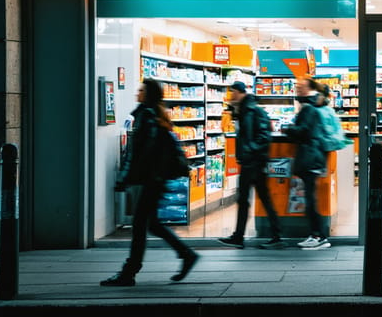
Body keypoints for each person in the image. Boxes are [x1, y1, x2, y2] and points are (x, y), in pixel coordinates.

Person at [101, 79, 198, 287]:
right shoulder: (153, 114)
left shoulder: (146, 116)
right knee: (151, 225)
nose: (138, 92)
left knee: (139, 227)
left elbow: (140, 154)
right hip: (154, 179)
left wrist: (125, 177)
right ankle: (186, 254)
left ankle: (129, 273)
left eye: (141, 90)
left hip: (151, 180)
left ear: (149, 94)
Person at [218, 81, 282, 249]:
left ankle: (273, 235)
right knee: (248, 199)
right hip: (249, 162)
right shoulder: (243, 111)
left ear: (240, 92)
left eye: (232, 93)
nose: (230, 96)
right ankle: (242, 236)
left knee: (256, 199)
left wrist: (250, 151)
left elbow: (263, 136)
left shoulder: (254, 111)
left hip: (254, 162)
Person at [285, 76, 331, 249]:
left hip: (310, 158)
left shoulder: (309, 108)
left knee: (311, 200)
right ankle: (317, 235)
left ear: (308, 88)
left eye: (300, 86)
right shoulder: (312, 106)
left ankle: (318, 236)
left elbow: (303, 131)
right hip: (313, 157)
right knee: (310, 199)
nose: (297, 88)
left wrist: (288, 129)